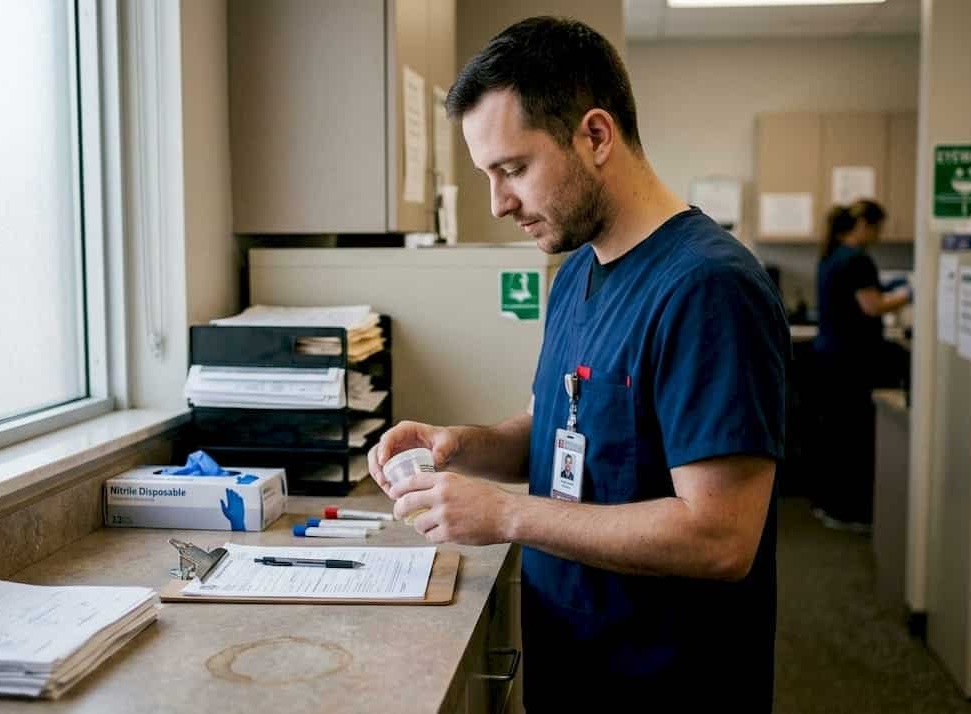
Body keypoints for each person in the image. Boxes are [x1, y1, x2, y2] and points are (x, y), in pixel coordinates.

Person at [367, 17, 788, 712]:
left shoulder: (708, 288)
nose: (499, 203)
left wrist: (506, 514)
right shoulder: (575, 276)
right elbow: (552, 428)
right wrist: (459, 446)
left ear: (595, 136)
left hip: (666, 683)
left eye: (513, 170)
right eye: (489, 176)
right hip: (574, 661)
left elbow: (719, 537)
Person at [811, 200, 911, 530]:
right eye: (878, 228)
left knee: (835, 434)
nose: (879, 236)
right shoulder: (857, 259)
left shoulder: (832, 255)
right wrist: (911, 294)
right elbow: (872, 306)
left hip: (830, 357)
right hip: (852, 361)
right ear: (865, 226)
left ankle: (828, 505)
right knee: (855, 437)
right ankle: (849, 511)